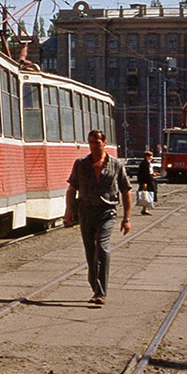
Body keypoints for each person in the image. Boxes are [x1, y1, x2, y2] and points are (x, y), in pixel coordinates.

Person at [65, 129, 132, 306]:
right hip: (86, 212)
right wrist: (69, 210)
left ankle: (101, 292)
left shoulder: (116, 164)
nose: (94, 146)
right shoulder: (80, 164)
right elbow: (72, 189)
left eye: (97, 142)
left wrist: (126, 218)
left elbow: (126, 191)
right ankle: (96, 286)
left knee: (102, 248)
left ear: (104, 143)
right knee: (90, 252)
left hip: (107, 212)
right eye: (91, 142)